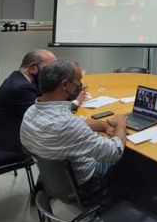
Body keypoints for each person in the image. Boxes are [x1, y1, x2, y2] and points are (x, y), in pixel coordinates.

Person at [20, 59, 126, 206]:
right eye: (78, 81)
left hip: (55, 181)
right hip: (86, 185)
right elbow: (114, 152)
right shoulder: (66, 124)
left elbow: (79, 122)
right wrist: (121, 125)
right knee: (129, 156)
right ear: (64, 84)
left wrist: (103, 125)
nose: (80, 86)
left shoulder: (30, 112)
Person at [0, 49, 57, 174]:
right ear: (32, 67)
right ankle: (56, 186)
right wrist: (73, 104)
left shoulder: (19, 77)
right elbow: (44, 119)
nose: (54, 74)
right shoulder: (20, 88)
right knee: (57, 143)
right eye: (50, 69)